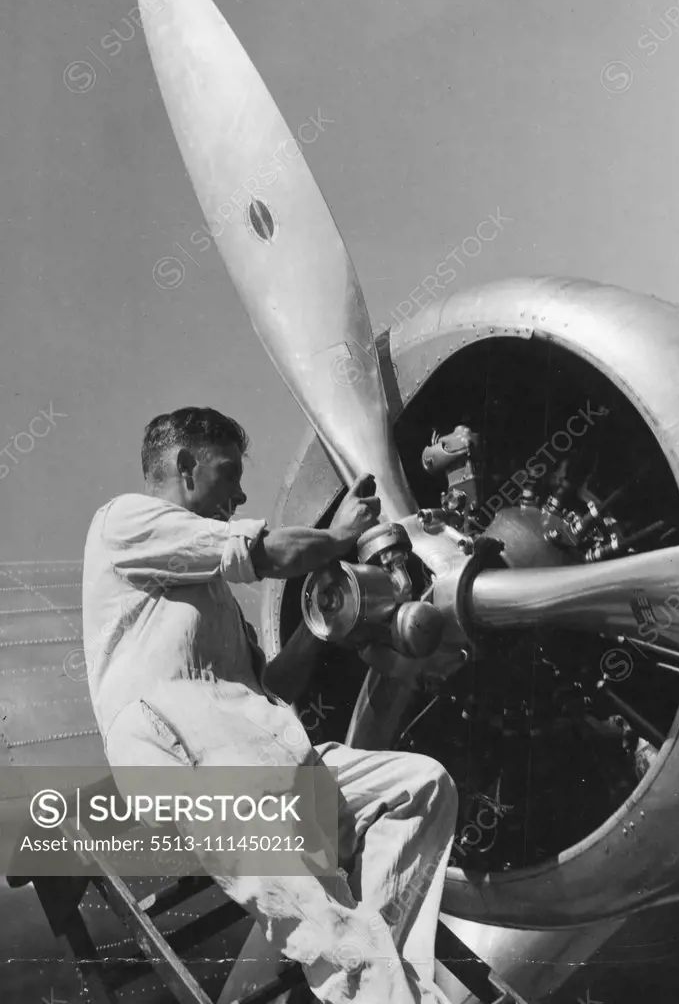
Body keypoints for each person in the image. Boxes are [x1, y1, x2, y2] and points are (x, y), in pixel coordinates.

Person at [81, 406, 458, 1004]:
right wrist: (340, 535)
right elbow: (267, 554)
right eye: (227, 473)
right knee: (319, 915)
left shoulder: (214, 604)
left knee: (420, 786)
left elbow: (273, 685)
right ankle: (381, 986)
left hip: (266, 753)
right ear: (184, 466)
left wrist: (321, 620)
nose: (240, 492)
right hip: (189, 759)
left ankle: (389, 983)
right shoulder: (123, 521)